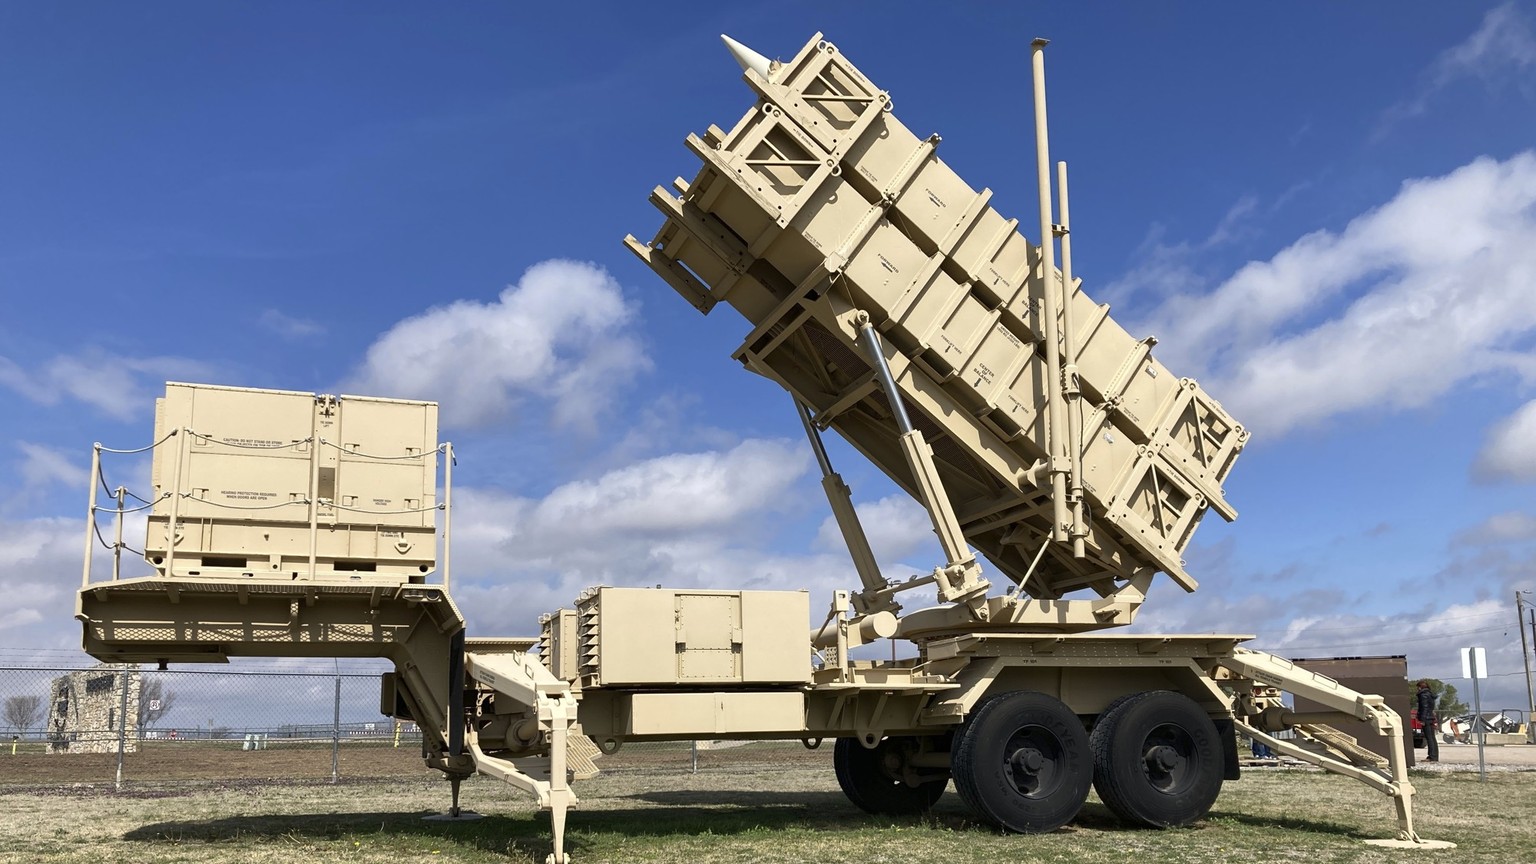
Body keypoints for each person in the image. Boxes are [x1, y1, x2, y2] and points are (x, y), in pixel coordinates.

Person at [1415, 680, 1439, 762]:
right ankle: (1435, 756)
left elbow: (1424, 708)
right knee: (1432, 737)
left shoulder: (1423, 695)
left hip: (1427, 718)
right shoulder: (1430, 694)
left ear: (1420, 687)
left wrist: (1422, 719)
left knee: (1429, 738)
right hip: (1431, 717)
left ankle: (1431, 756)